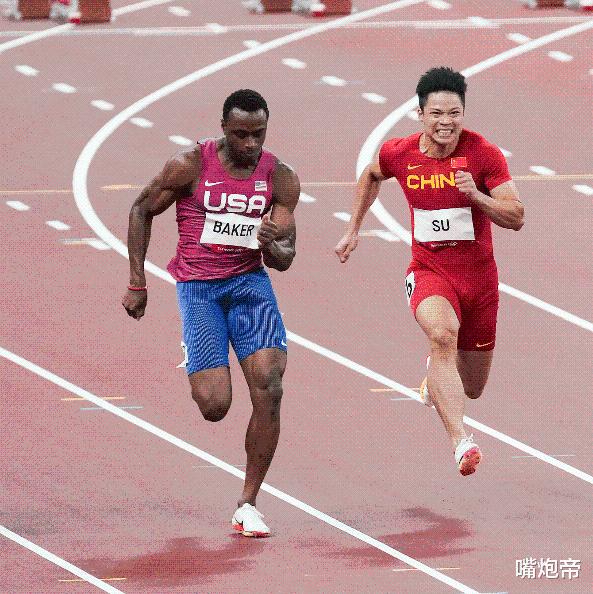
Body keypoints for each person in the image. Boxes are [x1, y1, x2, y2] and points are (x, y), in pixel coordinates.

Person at [122, 89, 299, 535]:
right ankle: (198, 351)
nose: (250, 144)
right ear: (223, 129)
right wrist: (137, 280)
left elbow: (285, 258)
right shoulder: (190, 165)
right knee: (215, 406)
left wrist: (272, 245)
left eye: (258, 134)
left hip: (249, 285)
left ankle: (248, 503)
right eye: (240, 134)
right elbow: (141, 208)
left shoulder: (280, 177)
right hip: (199, 289)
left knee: (271, 388)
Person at [335, 67, 524, 476]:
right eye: (436, 113)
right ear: (420, 114)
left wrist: (476, 196)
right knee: (442, 335)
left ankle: (434, 378)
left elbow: (516, 216)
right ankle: (461, 442)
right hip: (429, 271)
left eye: (454, 113)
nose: (446, 122)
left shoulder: (484, 154)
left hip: (480, 282)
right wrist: (353, 228)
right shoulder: (399, 153)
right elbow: (371, 174)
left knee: (472, 387)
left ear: (463, 113)